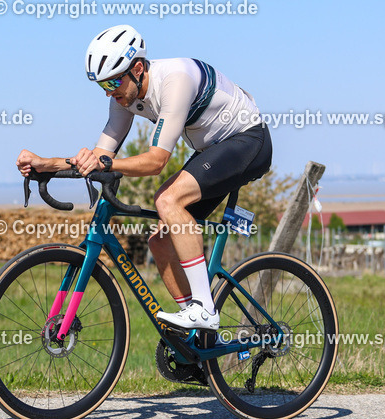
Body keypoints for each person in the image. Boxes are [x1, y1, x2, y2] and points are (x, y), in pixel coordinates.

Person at [16, 24, 271, 331]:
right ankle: (194, 337)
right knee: (160, 242)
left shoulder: (176, 81)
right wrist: (48, 164)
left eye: (113, 82)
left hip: (248, 141)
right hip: (212, 150)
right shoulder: (123, 96)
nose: (111, 92)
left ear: (137, 68)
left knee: (167, 199)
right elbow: (101, 154)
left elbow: (156, 161)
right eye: (103, 86)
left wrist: (108, 163)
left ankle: (205, 309)